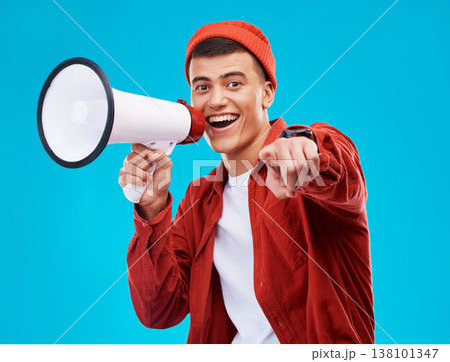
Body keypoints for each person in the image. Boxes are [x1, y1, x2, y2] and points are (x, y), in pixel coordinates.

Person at [119, 20, 374, 344]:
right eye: (202, 87)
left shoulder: (309, 158)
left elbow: (342, 170)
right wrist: (152, 211)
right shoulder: (198, 199)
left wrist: (307, 148)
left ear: (267, 93)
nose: (216, 101)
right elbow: (159, 310)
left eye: (234, 84)